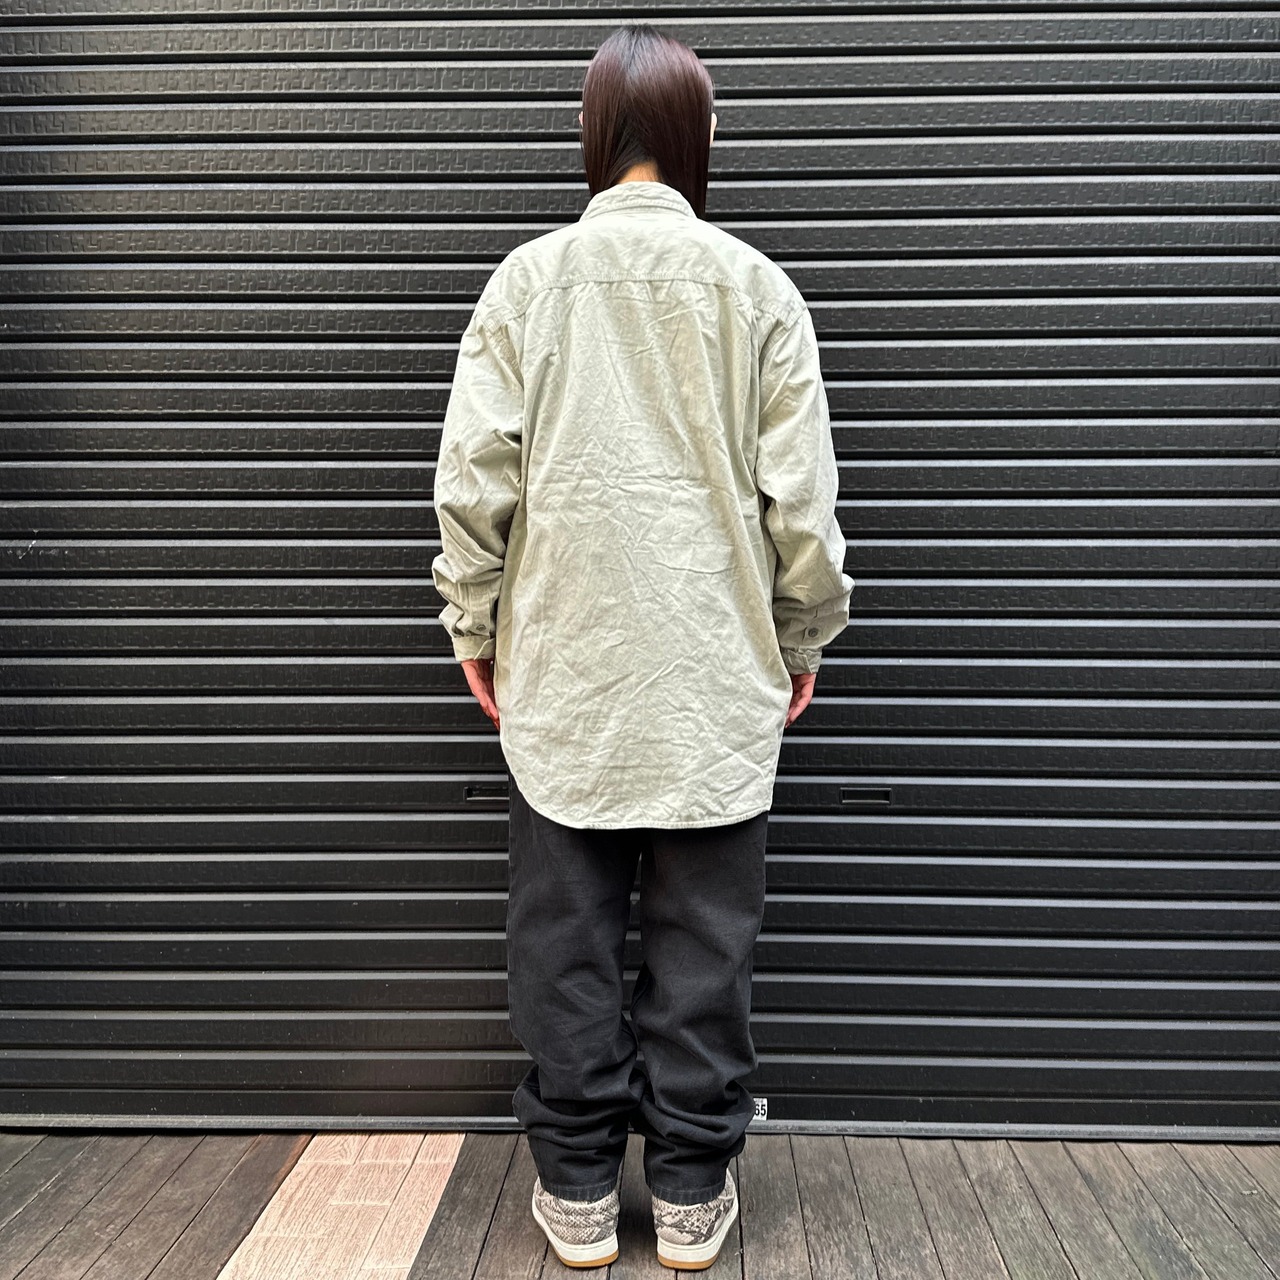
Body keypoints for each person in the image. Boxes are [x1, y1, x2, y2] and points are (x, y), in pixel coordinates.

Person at [430, 22, 854, 1272]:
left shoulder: (525, 284)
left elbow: (472, 483)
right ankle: (686, 1192)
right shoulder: (758, 289)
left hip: (563, 676)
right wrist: (802, 631)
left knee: (560, 943)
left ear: (591, 134)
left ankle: (573, 1190)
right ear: (694, 134)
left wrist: (471, 621)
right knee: (703, 948)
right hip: (714, 676)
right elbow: (802, 505)